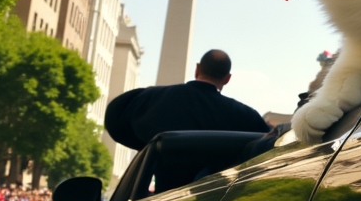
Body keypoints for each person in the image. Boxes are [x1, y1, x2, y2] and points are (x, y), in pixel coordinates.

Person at [104, 49, 271, 150]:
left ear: (197, 69)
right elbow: (269, 145)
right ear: (227, 78)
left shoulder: (146, 99)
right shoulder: (245, 116)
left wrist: (147, 146)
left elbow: (115, 119)